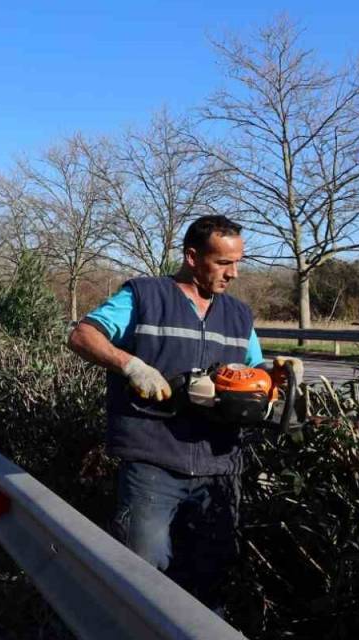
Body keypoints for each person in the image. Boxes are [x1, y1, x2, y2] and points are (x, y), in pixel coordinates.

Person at [67, 215, 302, 614]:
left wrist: (275, 376)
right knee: (143, 573)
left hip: (220, 467)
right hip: (154, 463)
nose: (235, 273)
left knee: (210, 577)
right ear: (192, 257)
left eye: (238, 262)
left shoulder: (239, 316)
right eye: (223, 263)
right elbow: (82, 335)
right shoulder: (144, 296)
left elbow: (253, 373)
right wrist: (130, 365)